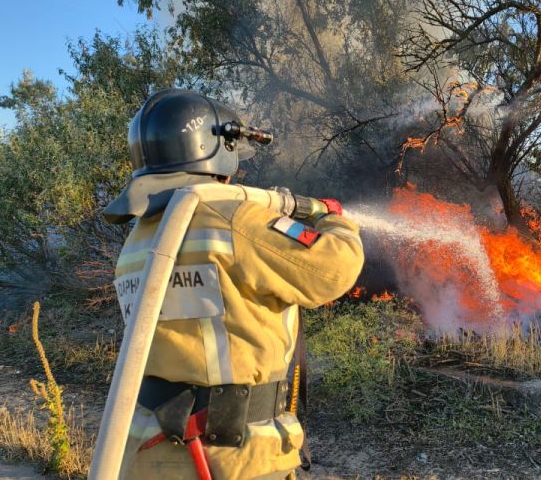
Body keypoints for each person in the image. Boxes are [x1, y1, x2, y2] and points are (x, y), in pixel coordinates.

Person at [102, 88, 364, 479]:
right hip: (235, 456)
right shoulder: (233, 220)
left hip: (147, 455)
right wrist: (335, 220)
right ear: (215, 150)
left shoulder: (140, 238)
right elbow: (333, 269)